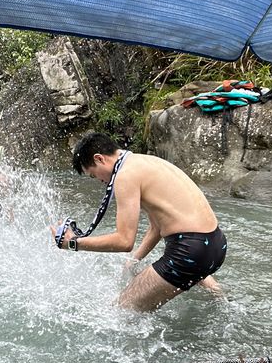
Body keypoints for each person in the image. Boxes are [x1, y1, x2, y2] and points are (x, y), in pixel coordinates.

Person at [50, 132, 226, 312]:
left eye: (94, 175)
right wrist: (133, 260)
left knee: (119, 311)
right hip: (216, 245)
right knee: (191, 270)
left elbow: (124, 241)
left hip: (190, 251)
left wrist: (72, 244)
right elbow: (157, 227)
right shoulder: (144, 162)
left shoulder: (125, 176)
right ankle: (219, 298)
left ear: (99, 158)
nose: (100, 181)